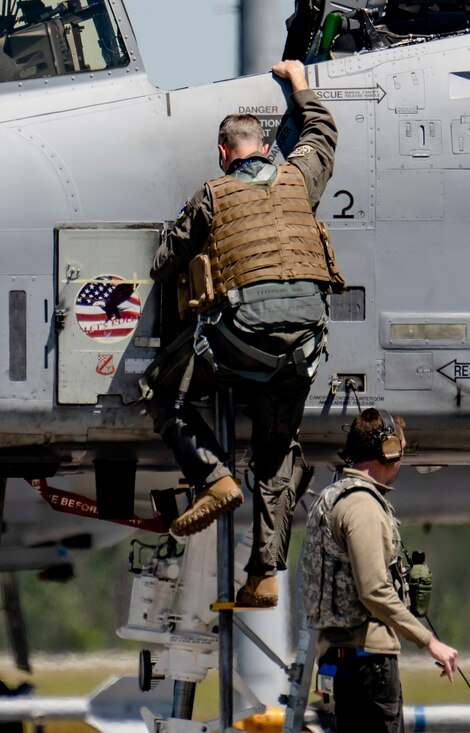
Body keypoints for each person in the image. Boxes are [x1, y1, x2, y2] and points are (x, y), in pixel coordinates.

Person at [141, 58, 342, 608]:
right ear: (266, 149)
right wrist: (299, 83)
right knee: (278, 451)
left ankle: (214, 479)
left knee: (162, 393)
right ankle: (264, 575)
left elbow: (164, 260)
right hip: (302, 347)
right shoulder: (300, 178)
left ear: (223, 154)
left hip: (240, 343)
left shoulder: (214, 194)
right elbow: (322, 132)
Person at [300, 409, 460, 733]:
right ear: (387, 450)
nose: (401, 458)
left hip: (341, 659)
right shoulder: (362, 506)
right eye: (400, 449)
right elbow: (374, 590)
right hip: (367, 664)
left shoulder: (330, 498)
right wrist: (429, 641)